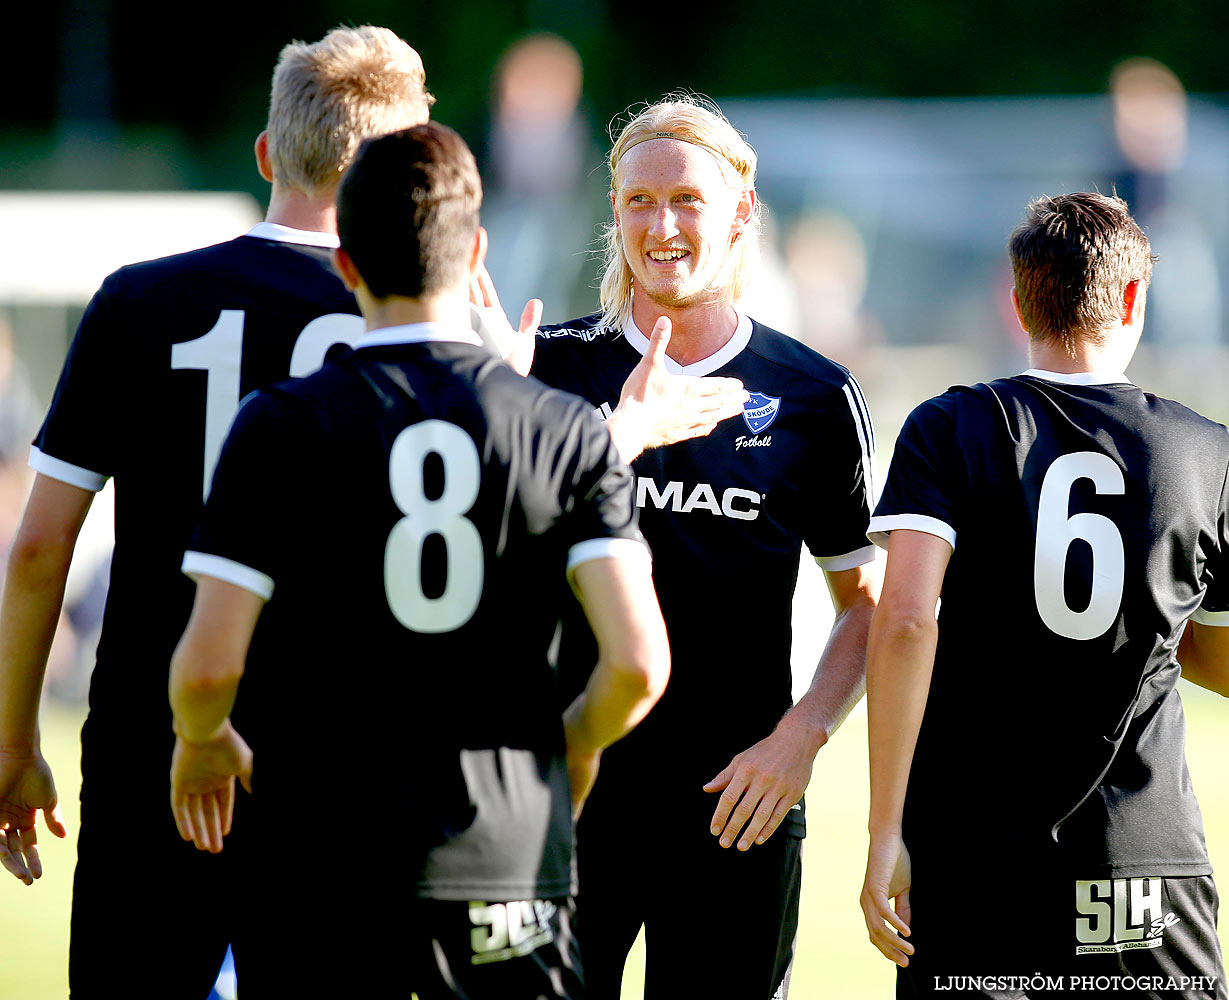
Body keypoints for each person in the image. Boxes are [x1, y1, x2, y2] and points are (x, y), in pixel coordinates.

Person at [167, 122, 671, 998]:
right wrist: (573, 749)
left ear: (346, 265)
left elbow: (207, 669)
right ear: (474, 250)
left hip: (317, 867)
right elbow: (638, 663)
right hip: (506, 861)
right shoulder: (559, 425)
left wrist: (200, 738)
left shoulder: (279, 423)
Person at [0, 25, 434, 997]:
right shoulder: (431, 325)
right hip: (349, 765)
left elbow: (39, 548)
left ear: (268, 154)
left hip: (151, 744)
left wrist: (13, 742)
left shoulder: (139, 301)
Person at [519, 95, 880, 999]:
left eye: (685, 198)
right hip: (565, 798)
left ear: (741, 211)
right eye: (637, 201)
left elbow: (866, 606)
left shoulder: (811, 394)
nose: (662, 224)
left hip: (736, 809)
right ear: (614, 214)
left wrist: (800, 737)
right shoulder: (546, 368)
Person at [861, 192, 1229, 998]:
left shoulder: (948, 426)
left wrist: (884, 827)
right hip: (1138, 854)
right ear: (1134, 297)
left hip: (972, 858)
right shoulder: (1208, 453)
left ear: (1016, 297)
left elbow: (905, 621)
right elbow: (1219, 659)